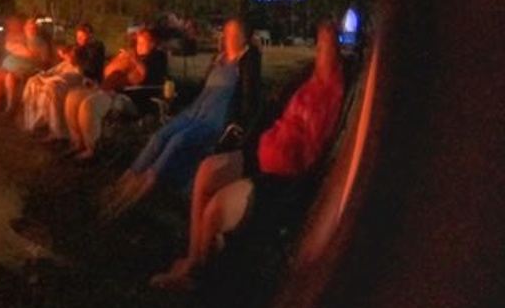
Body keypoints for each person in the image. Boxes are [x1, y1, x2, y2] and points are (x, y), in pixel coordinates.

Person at [150, 19, 345, 290]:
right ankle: (193, 257)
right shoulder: (309, 80)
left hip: (279, 175)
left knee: (214, 208)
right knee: (206, 170)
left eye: (327, 45)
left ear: (338, 49)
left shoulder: (332, 91)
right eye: (320, 44)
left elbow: (313, 147)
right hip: (261, 151)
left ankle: (198, 277)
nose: (320, 51)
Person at [101, 17, 261, 218]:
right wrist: (176, 93)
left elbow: (250, 99)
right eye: (226, 32)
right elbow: (201, 88)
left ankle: (135, 195)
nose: (227, 37)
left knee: (177, 141)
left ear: (243, 37)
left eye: (233, 33)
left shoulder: (246, 62)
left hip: (214, 119)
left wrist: (238, 126)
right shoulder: (218, 59)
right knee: (158, 137)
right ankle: (122, 185)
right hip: (195, 110)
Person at [63, 27, 168, 159]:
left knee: (89, 105)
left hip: (132, 98)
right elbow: (110, 73)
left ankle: (92, 149)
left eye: (142, 43)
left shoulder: (158, 57)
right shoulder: (133, 55)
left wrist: (133, 59)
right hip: (111, 90)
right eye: (137, 42)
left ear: (153, 43)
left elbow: (144, 75)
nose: (138, 46)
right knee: (73, 97)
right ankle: (77, 141)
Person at [0, 16, 51, 114]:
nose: (31, 27)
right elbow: (10, 46)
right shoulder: (20, 37)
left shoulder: (40, 42)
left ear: (36, 28)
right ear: (25, 27)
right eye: (29, 25)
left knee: (9, 77)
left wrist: (24, 51)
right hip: (8, 66)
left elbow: (42, 58)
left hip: (27, 69)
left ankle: (10, 106)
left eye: (33, 25)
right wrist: (24, 51)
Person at [20, 43, 83, 136]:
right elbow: (50, 72)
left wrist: (43, 79)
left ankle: (54, 130)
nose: (67, 57)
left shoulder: (79, 68)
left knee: (51, 89)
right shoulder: (64, 64)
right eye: (66, 56)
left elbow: (63, 78)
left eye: (69, 55)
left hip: (65, 88)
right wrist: (40, 76)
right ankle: (32, 122)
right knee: (32, 81)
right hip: (53, 83)